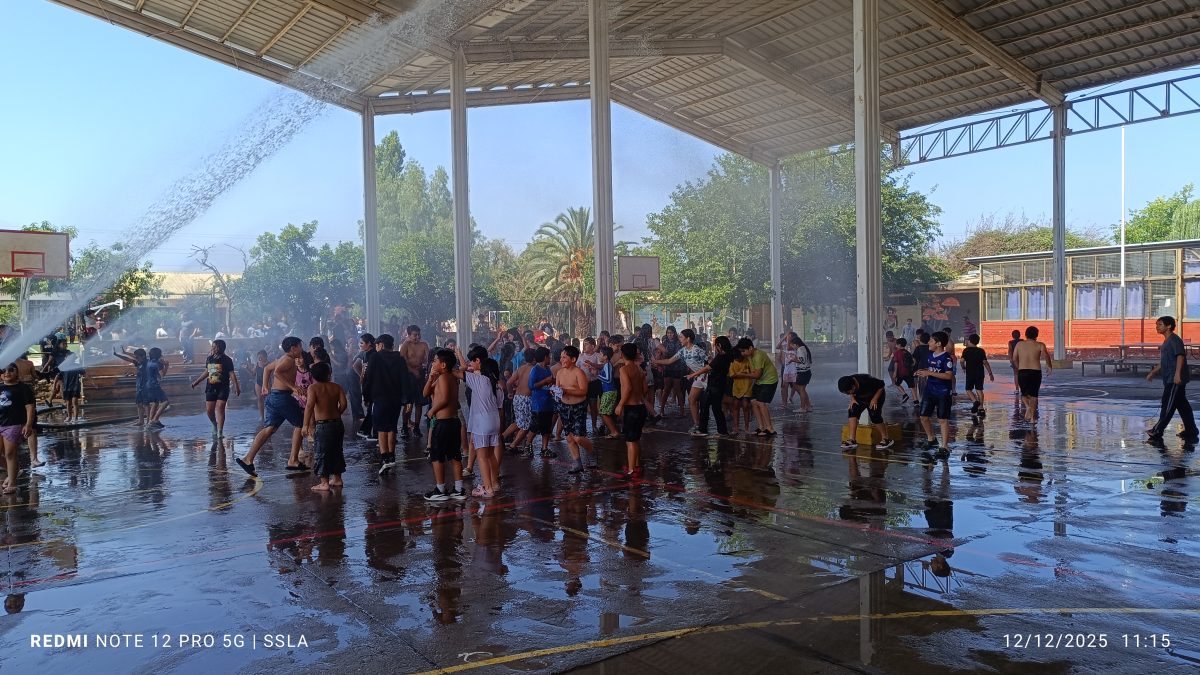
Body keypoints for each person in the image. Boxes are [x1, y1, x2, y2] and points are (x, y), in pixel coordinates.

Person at [236, 337, 308, 477]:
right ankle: (293, 460)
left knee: (270, 428)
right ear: (293, 348)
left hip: (275, 397)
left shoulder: (283, 358)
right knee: (300, 423)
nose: (302, 349)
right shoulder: (288, 359)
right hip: (282, 397)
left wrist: (265, 386)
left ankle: (248, 459)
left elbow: (267, 368)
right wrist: (294, 387)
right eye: (300, 346)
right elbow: (277, 372)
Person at [455, 346, 503, 497]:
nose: (470, 363)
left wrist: (458, 358)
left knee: (482, 457)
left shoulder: (478, 380)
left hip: (482, 423)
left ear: (479, 362)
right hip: (494, 422)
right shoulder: (496, 384)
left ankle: (487, 489)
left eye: (472, 361)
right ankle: (495, 484)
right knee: (490, 455)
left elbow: (456, 372)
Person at [422, 349, 467, 502]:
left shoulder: (444, 377)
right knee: (454, 455)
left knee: (437, 456)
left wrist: (432, 410)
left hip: (444, 422)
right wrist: (430, 379)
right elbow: (425, 393)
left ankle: (440, 489)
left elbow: (445, 399)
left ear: (443, 365)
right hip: (452, 422)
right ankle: (458, 488)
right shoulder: (444, 377)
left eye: (435, 360)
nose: (432, 363)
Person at [1146, 315, 1198, 442]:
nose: (1157, 327)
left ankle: (1157, 430)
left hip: (1174, 379)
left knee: (1168, 404)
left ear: (1169, 326)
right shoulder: (1167, 341)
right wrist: (1153, 372)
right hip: (1170, 377)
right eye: (1156, 325)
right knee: (1182, 405)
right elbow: (1164, 361)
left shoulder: (1175, 340)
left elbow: (1180, 356)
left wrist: (1177, 374)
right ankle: (1191, 430)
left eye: (1160, 324)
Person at [363, 334, 408, 474]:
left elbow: (368, 378)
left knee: (381, 428)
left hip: (379, 398)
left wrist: (366, 396)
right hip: (395, 399)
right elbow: (405, 379)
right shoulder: (400, 359)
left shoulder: (375, 357)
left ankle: (384, 458)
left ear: (381, 345)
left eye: (377, 345)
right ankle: (392, 456)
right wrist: (407, 399)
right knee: (392, 427)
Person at [652, 328, 708, 436]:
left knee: (706, 402)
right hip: (698, 377)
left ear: (688, 339)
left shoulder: (697, 350)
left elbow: (709, 362)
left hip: (706, 377)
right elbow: (669, 361)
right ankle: (697, 425)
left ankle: (703, 426)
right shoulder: (683, 351)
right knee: (691, 399)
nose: (680, 339)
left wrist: (695, 374)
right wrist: (656, 361)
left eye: (681, 337)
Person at [302, 362, 347, 492]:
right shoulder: (336, 387)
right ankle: (337, 478)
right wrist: (337, 413)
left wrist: (305, 425)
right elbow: (344, 404)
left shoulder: (313, 388)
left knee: (322, 453)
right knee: (337, 451)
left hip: (323, 425)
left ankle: (324, 483)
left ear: (313, 376)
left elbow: (309, 406)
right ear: (329, 373)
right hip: (337, 423)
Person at [555, 345, 595, 474]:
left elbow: (583, 391)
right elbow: (558, 389)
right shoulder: (559, 373)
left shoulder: (579, 372)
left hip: (578, 407)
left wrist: (566, 391)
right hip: (564, 406)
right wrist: (555, 392)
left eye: (564, 357)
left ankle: (592, 453)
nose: (561, 360)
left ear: (573, 359)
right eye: (561, 357)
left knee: (578, 437)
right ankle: (577, 463)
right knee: (569, 437)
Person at [190, 339, 240, 438]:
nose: (212, 348)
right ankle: (214, 424)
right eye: (212, 346)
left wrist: (236, 386)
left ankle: (220, 431)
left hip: (223, 387)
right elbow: (207, 372)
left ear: (220, 348)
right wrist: (197, 381)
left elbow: (231, 373)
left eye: (214, 347)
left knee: (220, 408)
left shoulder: (227, 360)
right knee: (209, 410)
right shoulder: (210, 358)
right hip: (211, 386)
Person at [916, 331, 955, 455]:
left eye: (931, 341)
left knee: (942, 419)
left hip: (943, 392)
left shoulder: (946, 358)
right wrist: (922, 371)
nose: (929, 342)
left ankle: (944, 447)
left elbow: (948, 376)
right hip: (929, 390)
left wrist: (929, 373)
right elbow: (932, 370)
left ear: (938, 344)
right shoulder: (930, 356)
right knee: (923, 416)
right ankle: (931, 439)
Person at [0, 364, 35, 494]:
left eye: (11, 370)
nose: (7, 373)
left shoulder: (23, 388)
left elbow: (30, 407)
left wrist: (28, 425)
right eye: (4, 370)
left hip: (14, 424)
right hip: (0, 423)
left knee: (10, 453)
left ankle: (12, 483)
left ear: (17, 373)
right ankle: (15, 470)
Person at [688, 335, 733, 437]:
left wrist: (693, 374)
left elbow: (707, 368)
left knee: (708, 406)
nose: (715, 347)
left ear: (719, 345)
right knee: (713, 408)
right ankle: (720, 431)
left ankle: (705, 429)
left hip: (715, 386)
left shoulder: (721, 357)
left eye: (715, 345)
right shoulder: (727, 356)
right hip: (718, 384)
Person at [616, 342, 648, 479]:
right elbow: (645, 389)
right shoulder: (639, 368)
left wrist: (620, 405)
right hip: (641, 406)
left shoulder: (624, 369)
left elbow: (628, 388)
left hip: (631, 408)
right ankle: (636, 465)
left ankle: (631, 470)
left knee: (630, 441)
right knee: (636, 439)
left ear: (622, 355)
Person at [837, 373, 894, 451]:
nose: (848, 394)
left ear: (853, 386)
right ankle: (852, 440)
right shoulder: (848, 381)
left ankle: (886, 439)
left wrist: (875, 399)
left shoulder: (866, 380)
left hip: (875, 395)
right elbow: (851, 392)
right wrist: (852, 399)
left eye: (848, 392)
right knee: (852, 410)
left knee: (874, 414)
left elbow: (881, 385)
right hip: (861, 397)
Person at [736, 337, 778, 436]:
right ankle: (761, 427)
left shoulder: (758, 355)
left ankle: (770, 429)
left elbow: (757, 375)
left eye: (743, 351)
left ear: (750, 348)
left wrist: (743, 375)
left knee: (761, 402)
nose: (742, 354)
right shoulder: (750, 355)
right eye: (741, 351)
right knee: (753, 401)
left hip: (769, 380)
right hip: (760, 381)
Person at [1011, 326, 1052, 422]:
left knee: (1024, 394)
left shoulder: (1019, 344)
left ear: (1026, 334)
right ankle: (1033, 418)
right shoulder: (1040, 345)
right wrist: (1049, 366)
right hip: (1035, 372)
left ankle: (1028, 407)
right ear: (1036, 335)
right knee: (1034, 395)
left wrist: (1019, 367)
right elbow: (1046, 355)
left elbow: (1014, 359)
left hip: (1023, 371)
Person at [503, 347, 537, 454]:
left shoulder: (521, 368)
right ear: (534, 358)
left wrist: (510, 393)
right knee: (526, 425)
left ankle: (501, 437)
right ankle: (513, 445)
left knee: (519, 422)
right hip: (527, 399)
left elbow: (509, 382)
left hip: (517, 398)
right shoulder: (535, 369)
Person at [399, 325, 430, 437]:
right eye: (415, 335)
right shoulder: (406, 345)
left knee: (419, 403)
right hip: (409, 376)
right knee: (408, 403)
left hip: (420, 374)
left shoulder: (424, 344)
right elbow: (402, 360)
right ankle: (404, 426)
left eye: (418, 335)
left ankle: (417, 426)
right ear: (408, 335)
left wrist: (426, 372)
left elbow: (429, 359)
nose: (417, 337)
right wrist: (412, 370)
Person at [13, 353, 43, 468]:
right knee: (31, 428)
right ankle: (33, 459)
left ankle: (10, 462)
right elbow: (35, 377)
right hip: (25, 396)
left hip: (14, 399)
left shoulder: (5, 364)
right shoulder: (28, 363)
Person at [527, 347, 557, 459]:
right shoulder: (535, 369)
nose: (550, 358)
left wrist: (552, 383)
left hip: (548, 402)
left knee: (547, 427)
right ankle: (528, 445)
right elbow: (531, 386)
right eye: (549, 356)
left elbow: (550, 382)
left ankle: (544, 448)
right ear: (545, 357)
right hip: (538, 404)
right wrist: (545, 381)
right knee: (535, 427)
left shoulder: (548, 369)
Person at [961, 334, 994, 418]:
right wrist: (990, 373)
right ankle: (981, 408)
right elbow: (985, 362)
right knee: (979, 389)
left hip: (970, 373)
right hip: (980, 373)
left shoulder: (966, 350)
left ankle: (975, 401)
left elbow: (961, 361)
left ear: (969, 341)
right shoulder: (981, 351)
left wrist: (963, 367)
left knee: (968, 389)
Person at [595, 346, 622, 438]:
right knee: (605, 412)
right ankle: (613, 430)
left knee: (604, 412)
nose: (599, 356)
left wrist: (597, 375)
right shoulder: (607, 364)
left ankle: (614, 432)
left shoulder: (607, 365)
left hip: (609, 391)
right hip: (609, 391)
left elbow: (608, 379)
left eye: (601, 354)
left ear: (605, 356)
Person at [728, 347, 754, 434]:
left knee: (746, 405)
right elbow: (732, 375)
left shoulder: (747, 360)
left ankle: (747, 428)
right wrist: (743, 373)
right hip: (737, 387)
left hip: (747, 386)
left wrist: (739, 374)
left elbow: (752, 372)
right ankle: (736, 427)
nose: (738, 359)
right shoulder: (732, 362)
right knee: (736, 406)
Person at [144, 347, 170, 428]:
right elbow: (162, 375)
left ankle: (150, 421)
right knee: (165, 402)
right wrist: (166, 366)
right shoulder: (158, 364)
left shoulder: (148, 362)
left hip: (148, 385)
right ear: (159, 355)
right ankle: (155, 419)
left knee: (155, 402)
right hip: (154, 385)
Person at [891, 337, 915, 404]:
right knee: (912, 387)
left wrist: (895, 372)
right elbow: (913, 362)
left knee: (897, 383)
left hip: (901, 372)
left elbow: (896, 363)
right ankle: (916, 401)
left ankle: (904, 395)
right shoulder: (908, 352)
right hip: (909, 372)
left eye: (896, 344)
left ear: (899, 345)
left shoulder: (897, 353)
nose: (896, 345)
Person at [1006, 329, 1022, 393]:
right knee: (1023, 374)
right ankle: (1023, 388)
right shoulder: (1022, 341)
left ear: (1012, 336)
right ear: (1019, 335)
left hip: (1015, 360)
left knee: (1016, 374)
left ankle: (1017, 389)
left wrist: (1011, 360)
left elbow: (1010, 351)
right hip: (1022, 359)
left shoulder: (1010, 342)